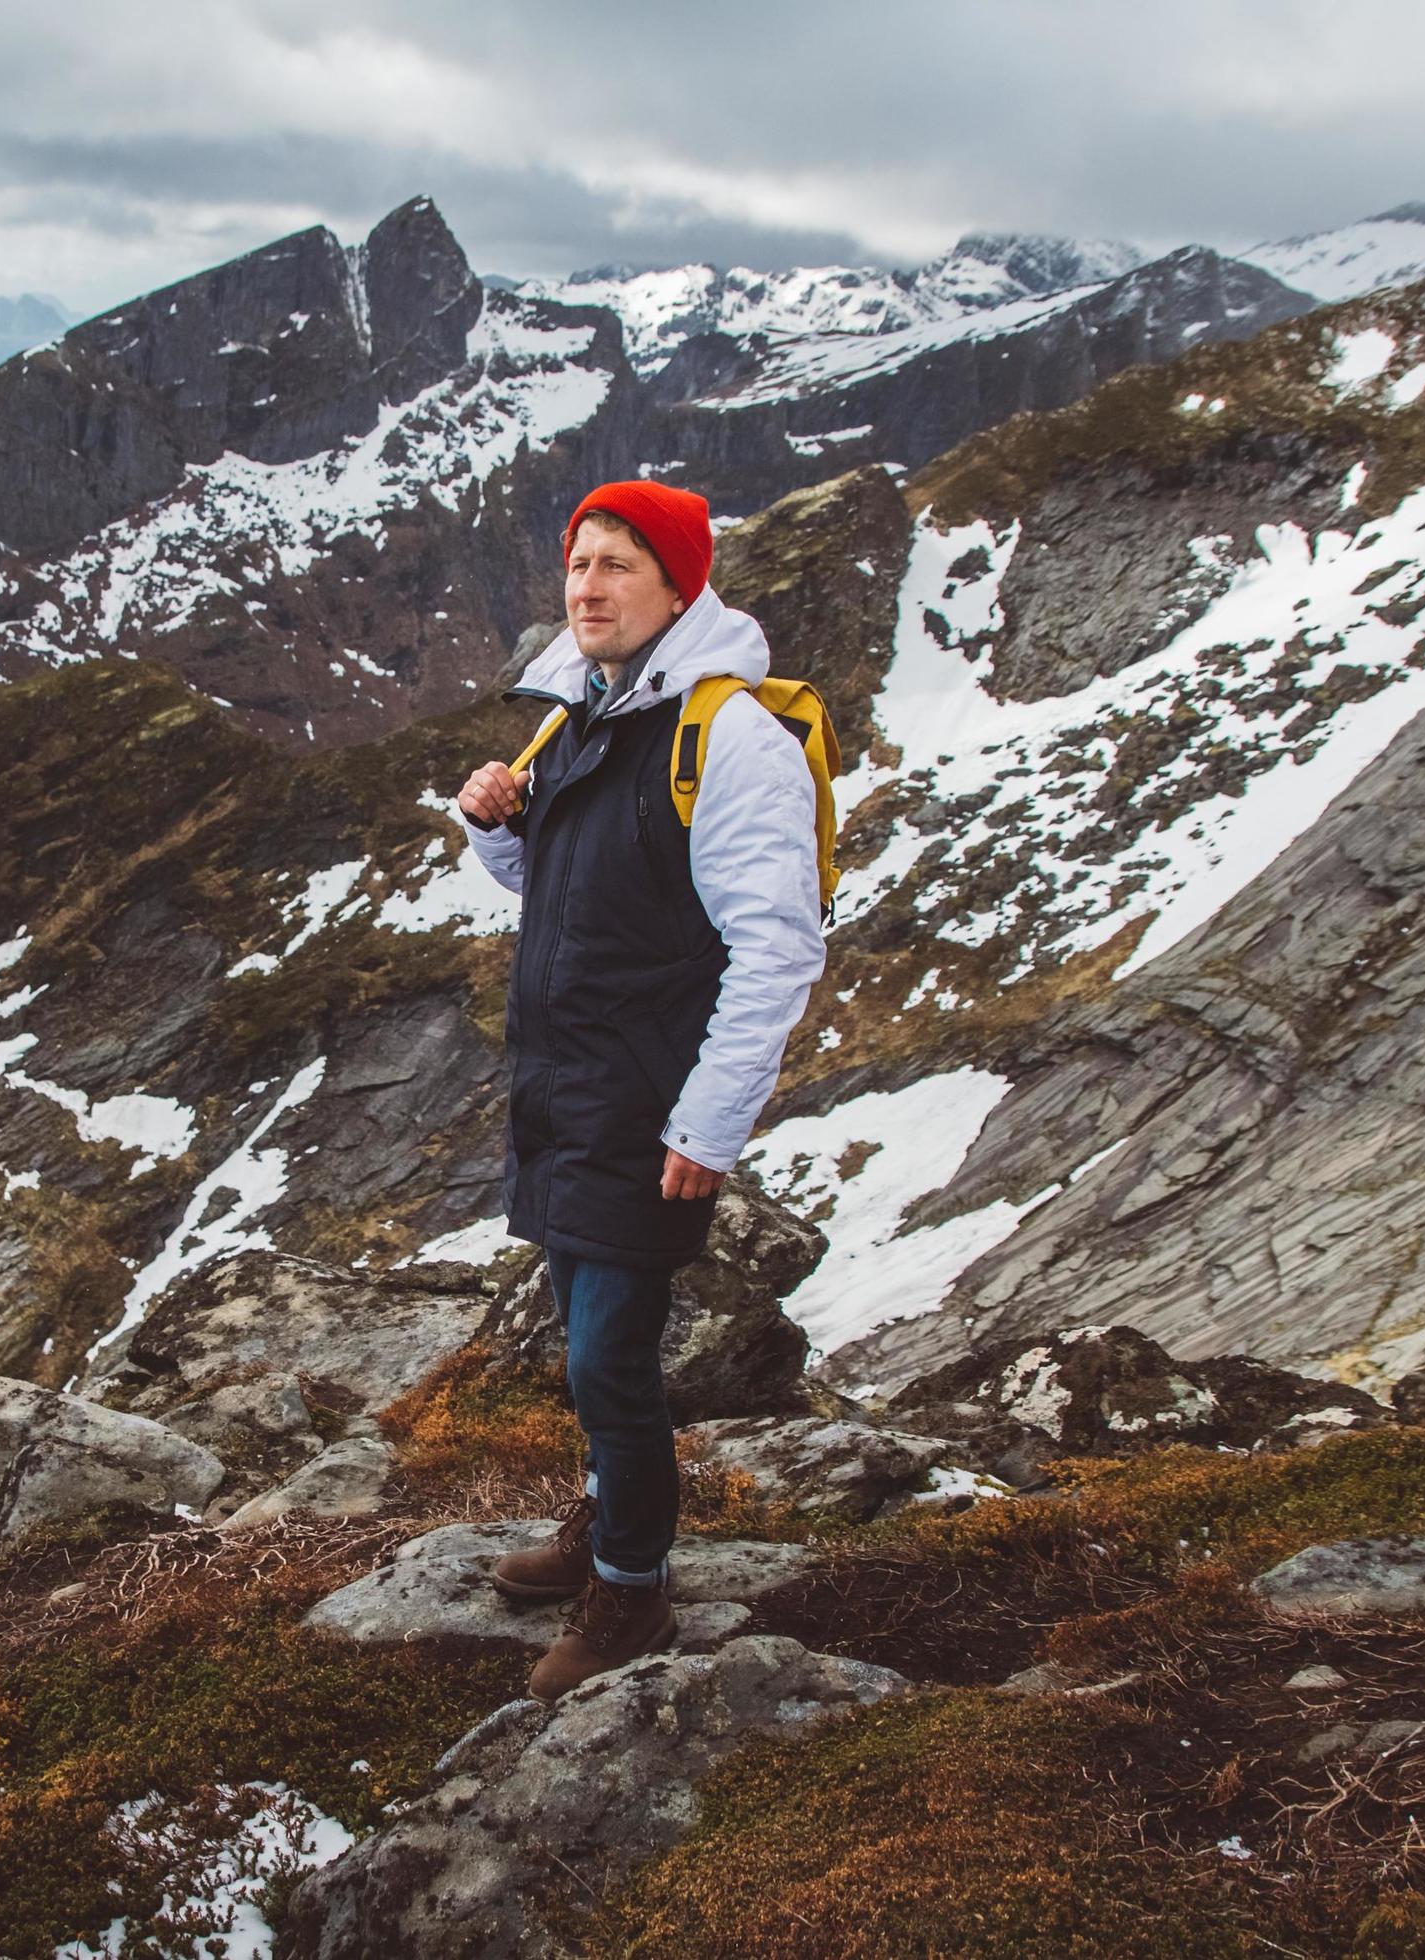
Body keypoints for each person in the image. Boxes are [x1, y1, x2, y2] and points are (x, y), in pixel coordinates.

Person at [454, 479, 826, 1699]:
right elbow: (570, 893)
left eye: (619, 564)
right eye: (578, 564)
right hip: (569, 1091)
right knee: (585, 1336)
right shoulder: (579, 713)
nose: (589, 587)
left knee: (609, 1357)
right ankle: (609, 1516)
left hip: (644, 1102)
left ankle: (632, 1585)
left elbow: (778, 947)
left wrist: (710, 1122)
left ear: (680, 586)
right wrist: (497, 826)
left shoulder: (725, 738)